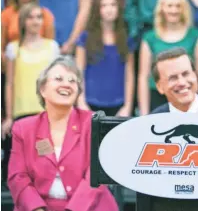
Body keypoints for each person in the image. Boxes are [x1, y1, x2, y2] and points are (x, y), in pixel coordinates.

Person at [8, 56, 119, 211]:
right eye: (58, 79)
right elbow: (18, 176)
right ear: (42, 89)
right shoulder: (23, 128)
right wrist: (36, 209)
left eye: (72, 81)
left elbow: (96, 175)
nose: (66, 84)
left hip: (89, 206)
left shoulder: (93, 123)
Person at [2, 3, 60, 186]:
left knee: (44, 159)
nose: (35, 21)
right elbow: (9, 83)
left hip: (45, 115)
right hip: (21, 116)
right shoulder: (13, 49)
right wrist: (9, 116)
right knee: (18, 164)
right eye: (31, 17)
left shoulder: (52, 47)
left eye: (39, 17)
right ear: (23, 21)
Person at [138, 0, 198, 115]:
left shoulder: (197, 36)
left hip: (188, 94)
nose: (173, 10)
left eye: (178, 6)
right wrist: (144, 113)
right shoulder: (149, 38)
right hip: (157, 96)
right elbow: (143, 76)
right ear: (161, 8)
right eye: (169, 6)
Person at [75, 0, 135, 117]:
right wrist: (81, 102)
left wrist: (127, 106)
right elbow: (78, 71)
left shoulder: (126, 40)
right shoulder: (85, 38)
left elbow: (129, 75)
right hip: (90, 103)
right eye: (104, 5)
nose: (109, 9)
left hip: (118, 105)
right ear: (98, 10)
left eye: (113, 5)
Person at [151, 47, 198, 114]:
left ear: (195, 75)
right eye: (173, 78)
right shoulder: (153, 121)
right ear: (159, 87)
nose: (182, 82)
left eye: (185, 74)